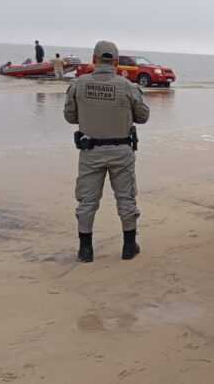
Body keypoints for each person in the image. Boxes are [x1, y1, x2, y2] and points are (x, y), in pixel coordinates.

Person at [64, 40, 150, 262]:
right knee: (126, 198)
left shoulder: (79, 84)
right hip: (121, 151)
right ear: (117, 60)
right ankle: (129, 247)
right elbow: (143, 116)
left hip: (90, 150)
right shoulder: (127, 86)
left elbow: (70, 117)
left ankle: (85, 250)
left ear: (94, 59)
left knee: (87, 201)